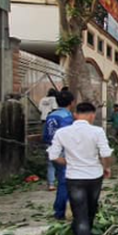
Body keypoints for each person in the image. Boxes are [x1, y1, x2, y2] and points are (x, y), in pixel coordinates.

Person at [47, 102, 113, 235]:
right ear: (92, 115)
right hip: (94, 176)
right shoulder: (97, 131)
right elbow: (106, 153)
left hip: (74, 177)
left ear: (75, 114)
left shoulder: (62, 133)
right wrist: (106, 167)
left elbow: (53, 155)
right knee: (91, 208)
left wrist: (68, 162)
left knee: (79, 210)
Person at [43, 89, 75, 217]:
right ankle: (60, 211)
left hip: (51, 149)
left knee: (60, 178)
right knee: (64, 181)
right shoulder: (67, 117)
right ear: (72, 102)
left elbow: (45, 135)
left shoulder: (51, 116)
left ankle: (60, 208)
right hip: (63, 152)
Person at [39, 88, 59, 190]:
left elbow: (39, 109)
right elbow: (55, 109)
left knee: (50, 161)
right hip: (53, 121)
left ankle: (50, 183)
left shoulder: (43, 99)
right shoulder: (54, 100)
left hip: (44, 119)